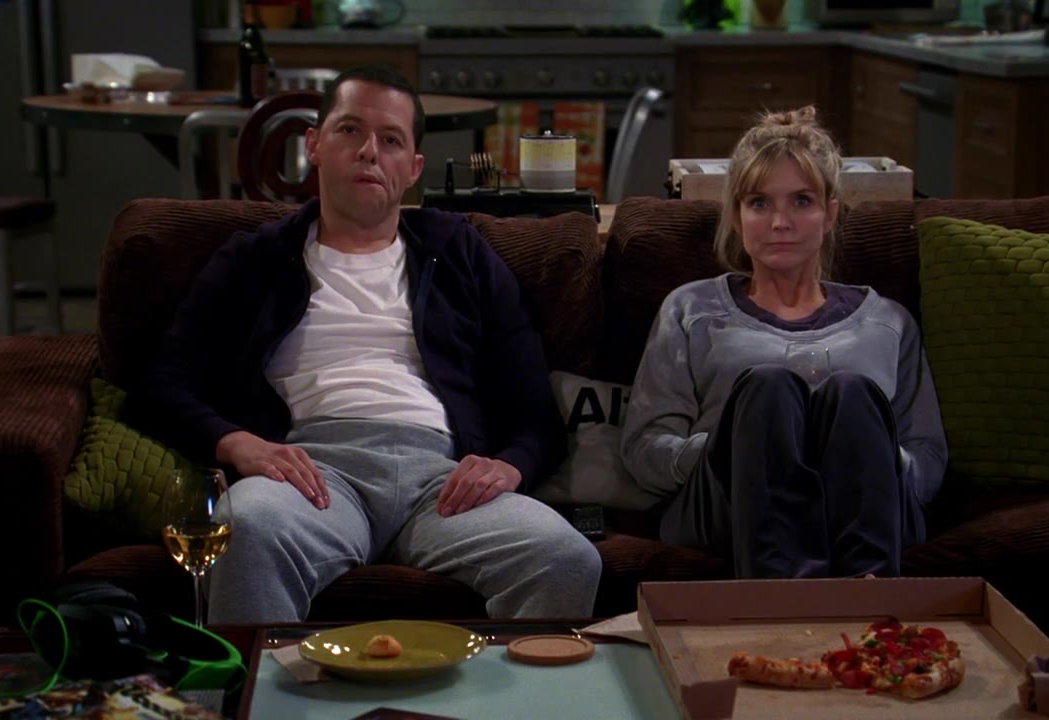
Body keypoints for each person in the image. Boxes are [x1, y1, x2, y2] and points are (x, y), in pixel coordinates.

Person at [128, 65, 601, 623]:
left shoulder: (460, 253)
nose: (369, 151)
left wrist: (509, 466)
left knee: (567, 558)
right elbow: (160, 384)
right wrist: (238, 444)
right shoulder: (253, 259)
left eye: (391, 139)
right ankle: (259, 683)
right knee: (246, 528)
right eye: (350, 130)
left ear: (414, 168)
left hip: (441, 483)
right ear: (314, 145)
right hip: (310, 477)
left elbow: (536, 413)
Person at [620, 106, 947, 580]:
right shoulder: (691, 309)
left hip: (867, 512)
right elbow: (645, 450)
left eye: (801, 201)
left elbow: (928, 460)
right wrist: (745, 447)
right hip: (729, 512)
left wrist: (854, 452)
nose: (780, 222)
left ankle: (869, 592)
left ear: (830, 214)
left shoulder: (888, 321)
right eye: (759, 203)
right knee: (769, 389)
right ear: (737, 216)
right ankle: (780, 592)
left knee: (852, 392)